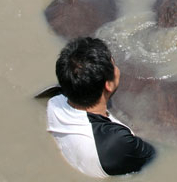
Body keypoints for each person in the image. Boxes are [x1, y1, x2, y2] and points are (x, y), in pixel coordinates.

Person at [47, 37, 155, 177]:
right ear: (108, 85)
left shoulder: (54, 101)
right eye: (114, 65)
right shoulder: (117, 142)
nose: (117, 69)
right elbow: (156, 158)